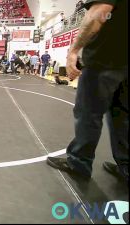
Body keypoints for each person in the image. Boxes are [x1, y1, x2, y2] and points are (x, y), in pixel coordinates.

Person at [47, 0, 128, 182]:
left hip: (105, 59)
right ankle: (126, 167)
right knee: (122, 116)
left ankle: (79, 163)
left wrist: (73, 50)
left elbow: (100, 13)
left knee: (88, 113)